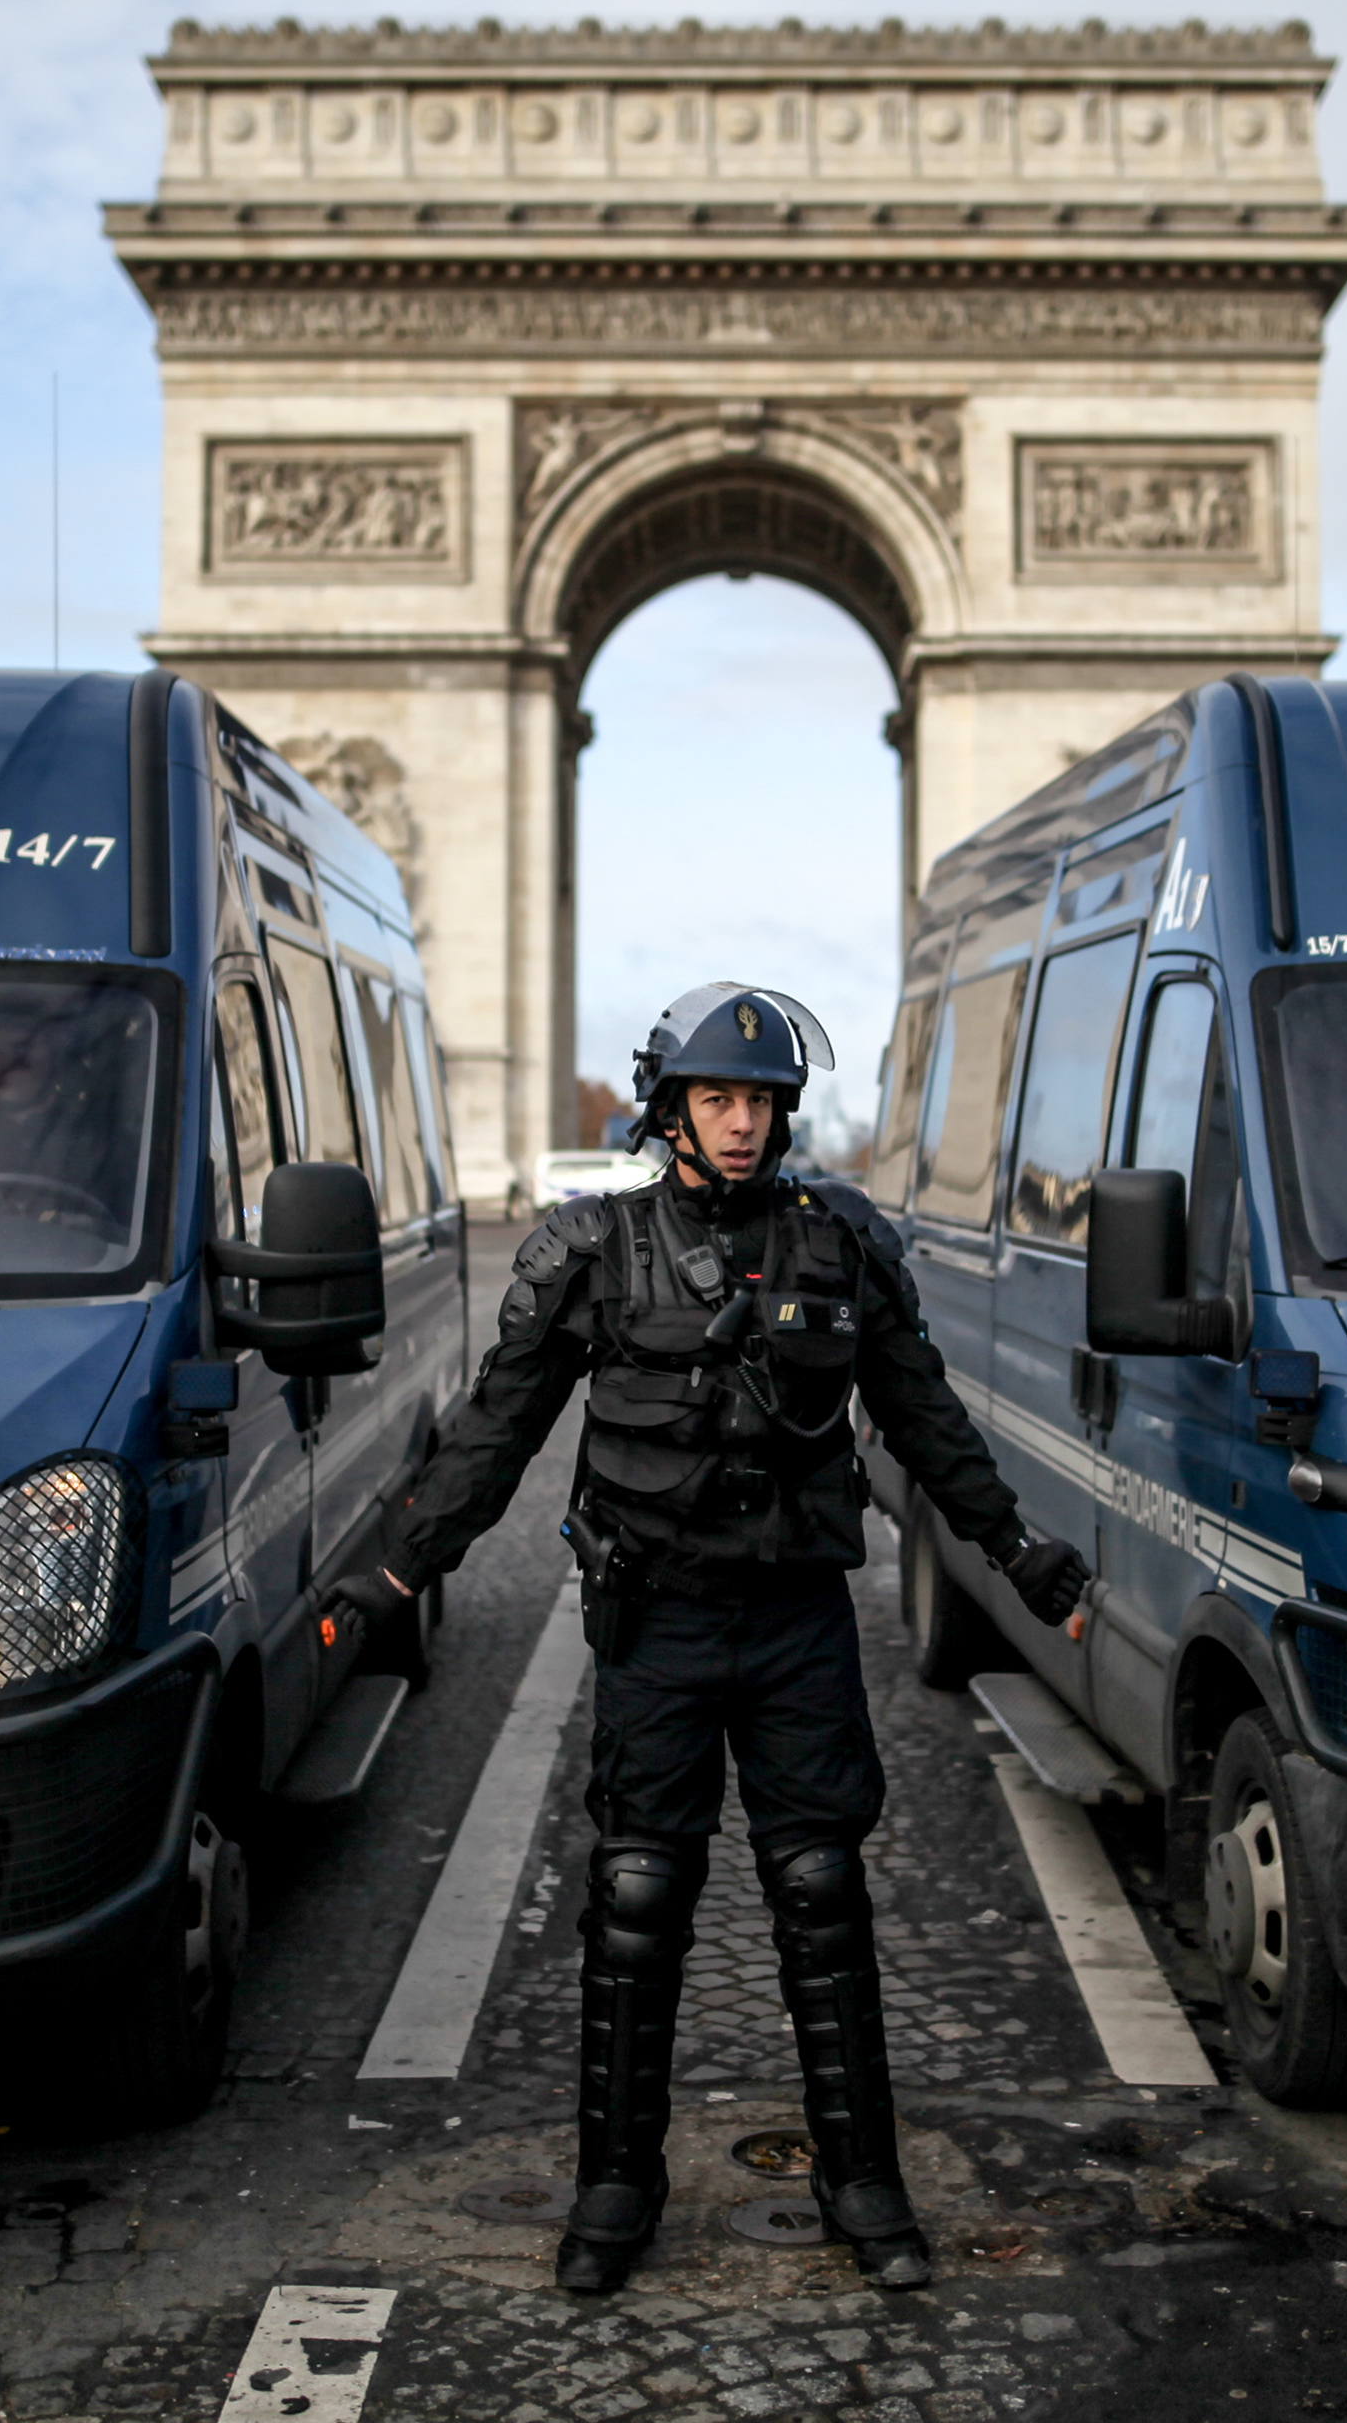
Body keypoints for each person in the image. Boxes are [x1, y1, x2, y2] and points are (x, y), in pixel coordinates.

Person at [335, 983, 1087, 2295]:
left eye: (762, 1101)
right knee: (636, 1900)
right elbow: (495, 1431)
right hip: (657, 1628)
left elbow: (925, 1423)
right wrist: (392, 1573)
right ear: (671, 1107)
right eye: (717, 1098)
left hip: (798, 1626)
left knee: (822, 1894)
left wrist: (1020, 1556)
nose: (742, 1124)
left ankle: (862, 2183)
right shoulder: (588, 1250)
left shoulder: (842, 1243)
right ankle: (617, 2185)